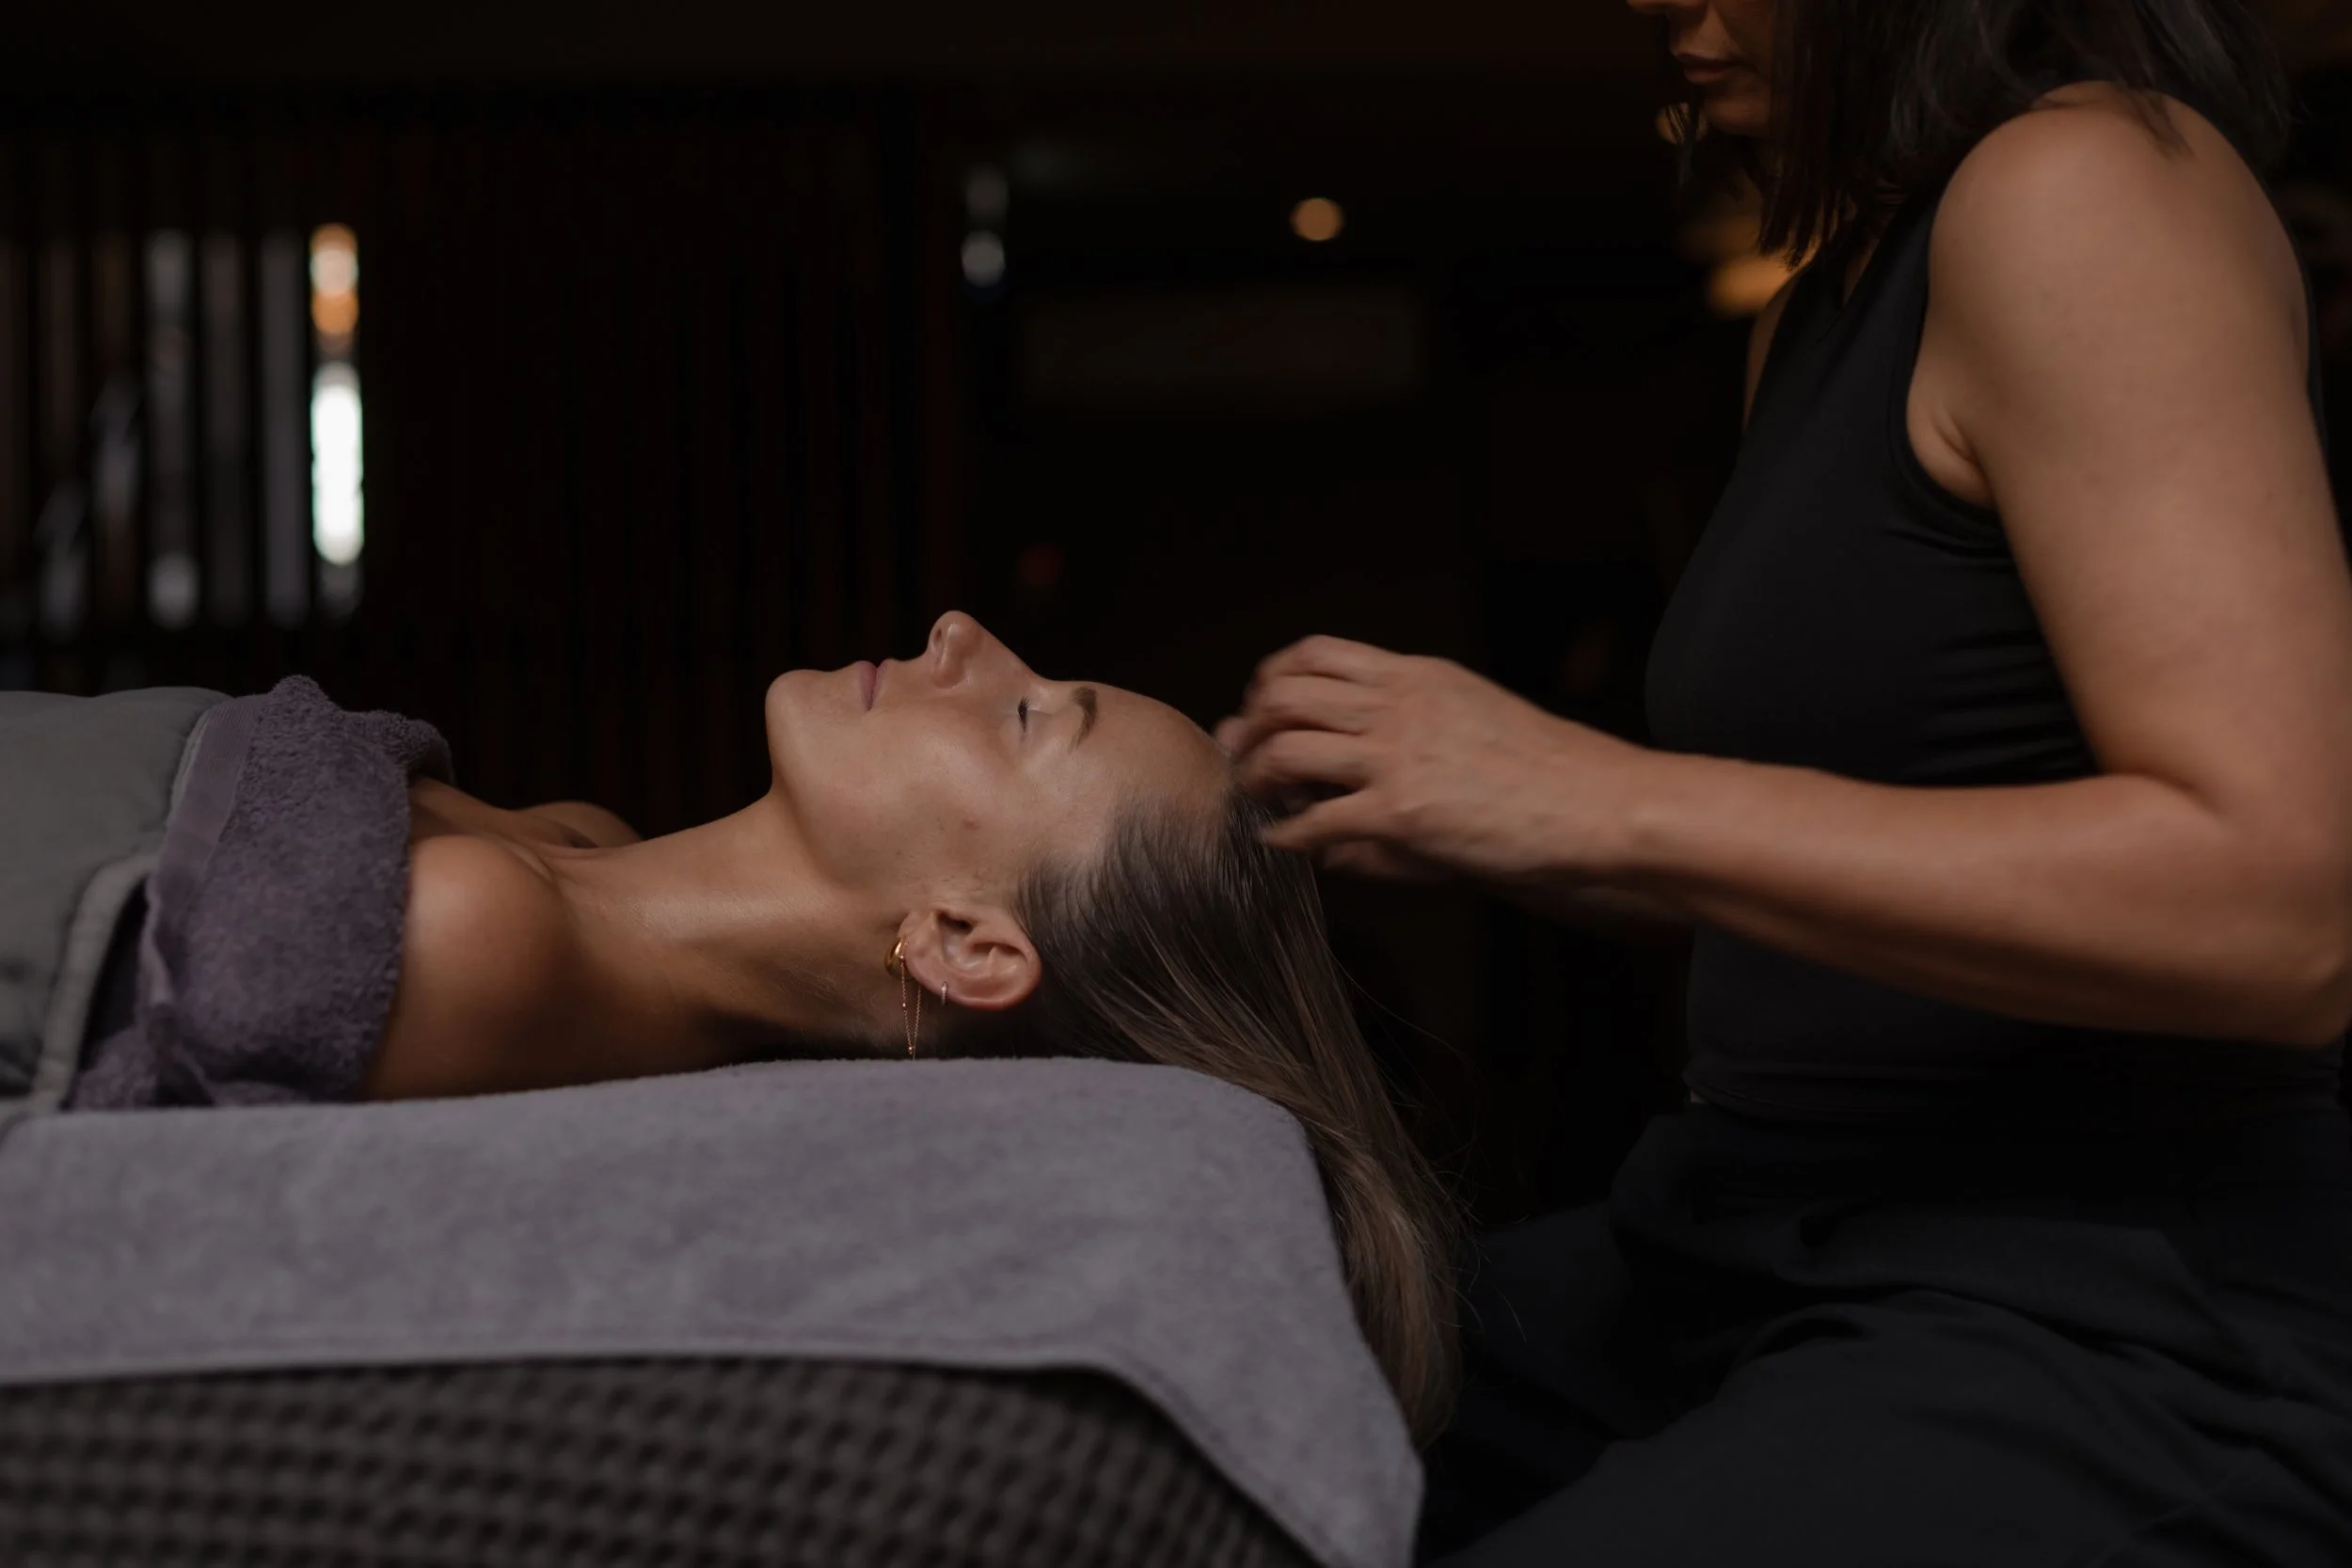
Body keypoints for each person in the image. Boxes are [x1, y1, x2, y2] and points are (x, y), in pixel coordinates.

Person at [1217, 0, 2352, 1561]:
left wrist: (1598, 797)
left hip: (2096, 1301)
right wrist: (1466, 810)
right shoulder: (1825, 302)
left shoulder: (2086, 185)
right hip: (1738, 1236)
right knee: (1207, 1388)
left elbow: (2288, 911)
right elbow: (1841, 848)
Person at [67, 611, 1460, 1444]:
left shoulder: (483, 945)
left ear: (967, 942)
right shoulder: (572, 848)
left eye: (1026, 715)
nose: (962, 637)